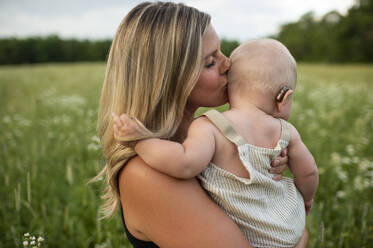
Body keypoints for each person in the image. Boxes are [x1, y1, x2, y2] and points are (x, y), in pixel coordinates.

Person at [96, 1, 309, 247]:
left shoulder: (210, 137)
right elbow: (295, 235)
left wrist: (263, 172)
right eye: (210, 61)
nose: (227, 64)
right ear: (170, 79)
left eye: (221, 51)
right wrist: (299, 235)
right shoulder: (148, 172)